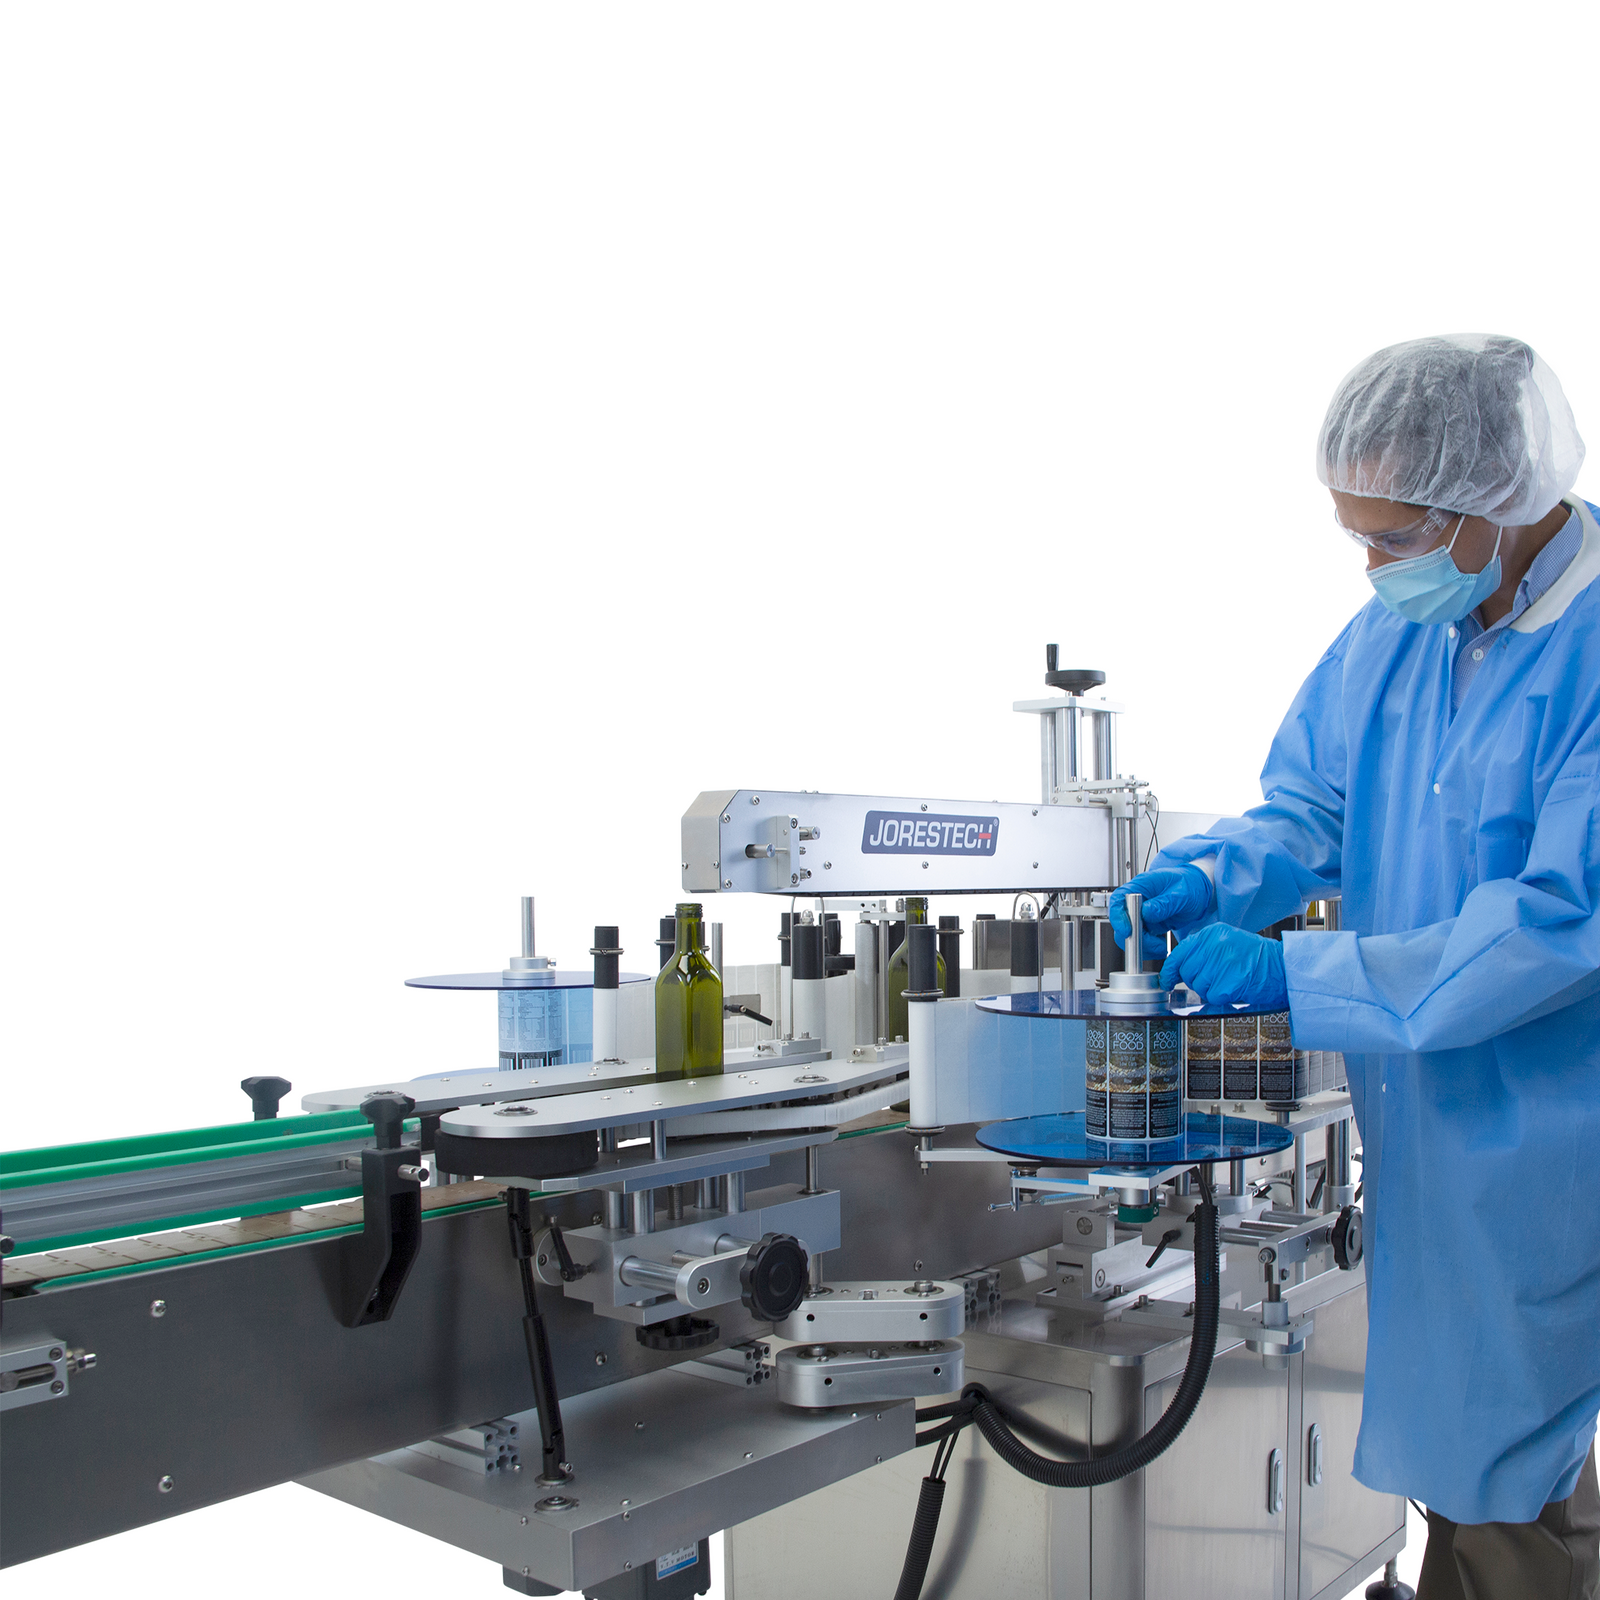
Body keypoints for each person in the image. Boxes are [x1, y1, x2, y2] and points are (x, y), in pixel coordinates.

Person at [1111, 334, 1600, 1600]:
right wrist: (1216, 874)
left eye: (1390, 538)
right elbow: (1304, 806)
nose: (1374, 567)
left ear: (1489, 508)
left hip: (1549, 1131)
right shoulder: (1389, 637)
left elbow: (1555, 919)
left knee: (1505, 1453)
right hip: (1429, 1125)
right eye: (1362, 540)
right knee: (1494, 1449)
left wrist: (1301, 978)